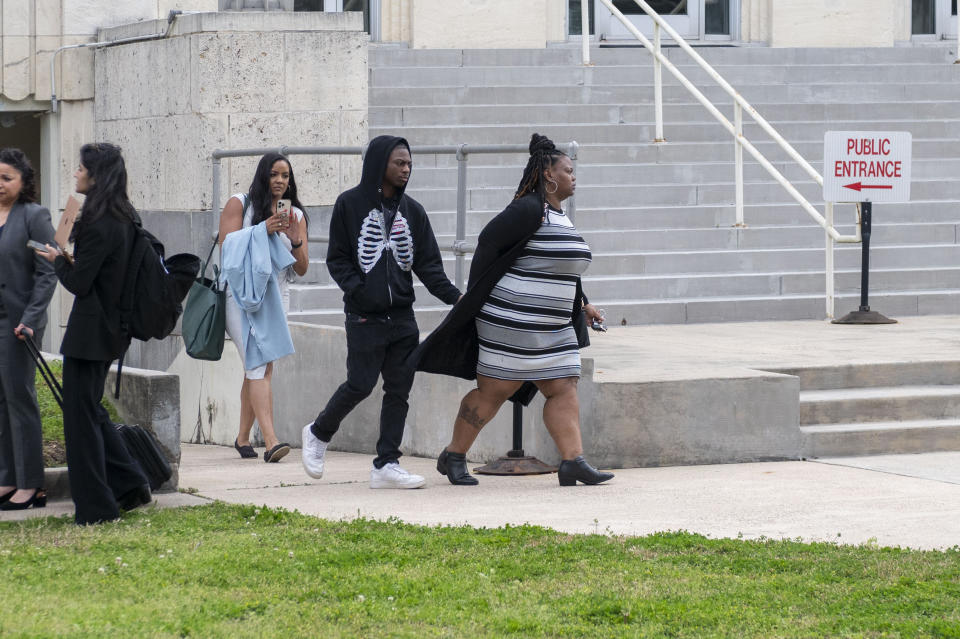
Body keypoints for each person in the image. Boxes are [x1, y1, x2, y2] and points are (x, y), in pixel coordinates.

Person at [411, 133, 614, 487]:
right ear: (549, 176)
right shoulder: (528, 209)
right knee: (495, 390)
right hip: (512, 321)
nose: (573, 175)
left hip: (552, 326)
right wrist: (475, 296)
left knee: (563, 386)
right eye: (568, 170)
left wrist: (583, 304)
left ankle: (572, 462)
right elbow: (488, 242)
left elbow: (562, 268)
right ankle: (454, 456)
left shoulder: (559, 216)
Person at [301, 135, 461, 489]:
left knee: (399, 390)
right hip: (364, 315)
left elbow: (429, 267)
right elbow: (338, 259)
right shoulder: (349, 204)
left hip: (403, 317)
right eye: (399, 163)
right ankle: (317, 432)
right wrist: (360, 290)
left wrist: (457, 299)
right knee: (360, 384)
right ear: (379, 164)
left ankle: (386, 463)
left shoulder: (414, 212)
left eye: (409, 164)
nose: (406, 170)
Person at [36, 143, 152, 524]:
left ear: (97, 176)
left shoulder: (100, 223)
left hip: (92, 332)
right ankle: (132, 483)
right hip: (109, 330)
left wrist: (58, 262)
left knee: (79, 420)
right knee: (89, 411)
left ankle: (98, 508)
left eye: (81, 168)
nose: (76, 173)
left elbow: (81, 283)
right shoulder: (123, 216)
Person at [218, 152, 308, 463]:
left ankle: (243, 438)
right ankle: (271, 442)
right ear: (263, 176)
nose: (280, 181)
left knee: (261, 366)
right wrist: (263, 229)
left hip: (276, 295)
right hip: (241, 296)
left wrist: (294, 240)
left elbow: (302, 269)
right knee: (257, 365)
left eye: (285, 175)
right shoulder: (240, 204)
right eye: (274, 174)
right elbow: (225, 246)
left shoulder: (294, 215)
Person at [0, 148, 57, 510]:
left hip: (18, 323)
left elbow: (47, 273)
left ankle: (32, 485)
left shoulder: (34, 217)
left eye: (6, 178)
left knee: (20, 400)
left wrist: (32, 319)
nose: (0, 185)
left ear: (23, 182)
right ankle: (7, 478)